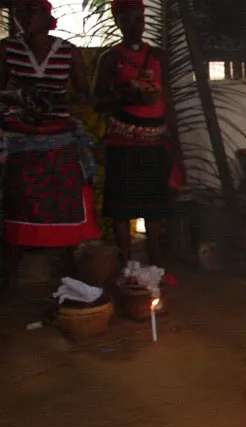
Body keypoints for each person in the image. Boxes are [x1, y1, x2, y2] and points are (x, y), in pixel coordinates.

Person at [0, 0, 99, 297]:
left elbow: (85, 96)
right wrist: (19, 95)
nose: (22, 16)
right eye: (19, 11)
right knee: (18, 213)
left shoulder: (69, 52)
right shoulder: (7, 49)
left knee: (66, 212)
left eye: (30, 10)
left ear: (47, 15)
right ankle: (7, 288)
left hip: (59, 141)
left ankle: (76, 288)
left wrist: (62, 100)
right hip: (22, 142)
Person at [94, 0, 183, 276]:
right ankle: (127, 264)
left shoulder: (158, 56)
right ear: (118, 22)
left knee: (154, 207)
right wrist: (127, 96)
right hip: (123, 143)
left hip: (155, 141)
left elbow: (167, 99)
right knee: (122, 208)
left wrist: (175, 139)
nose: (135, 26)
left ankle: (155, 262)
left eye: (140, 20)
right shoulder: (110, 59)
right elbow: (98, 101)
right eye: (129, 20)